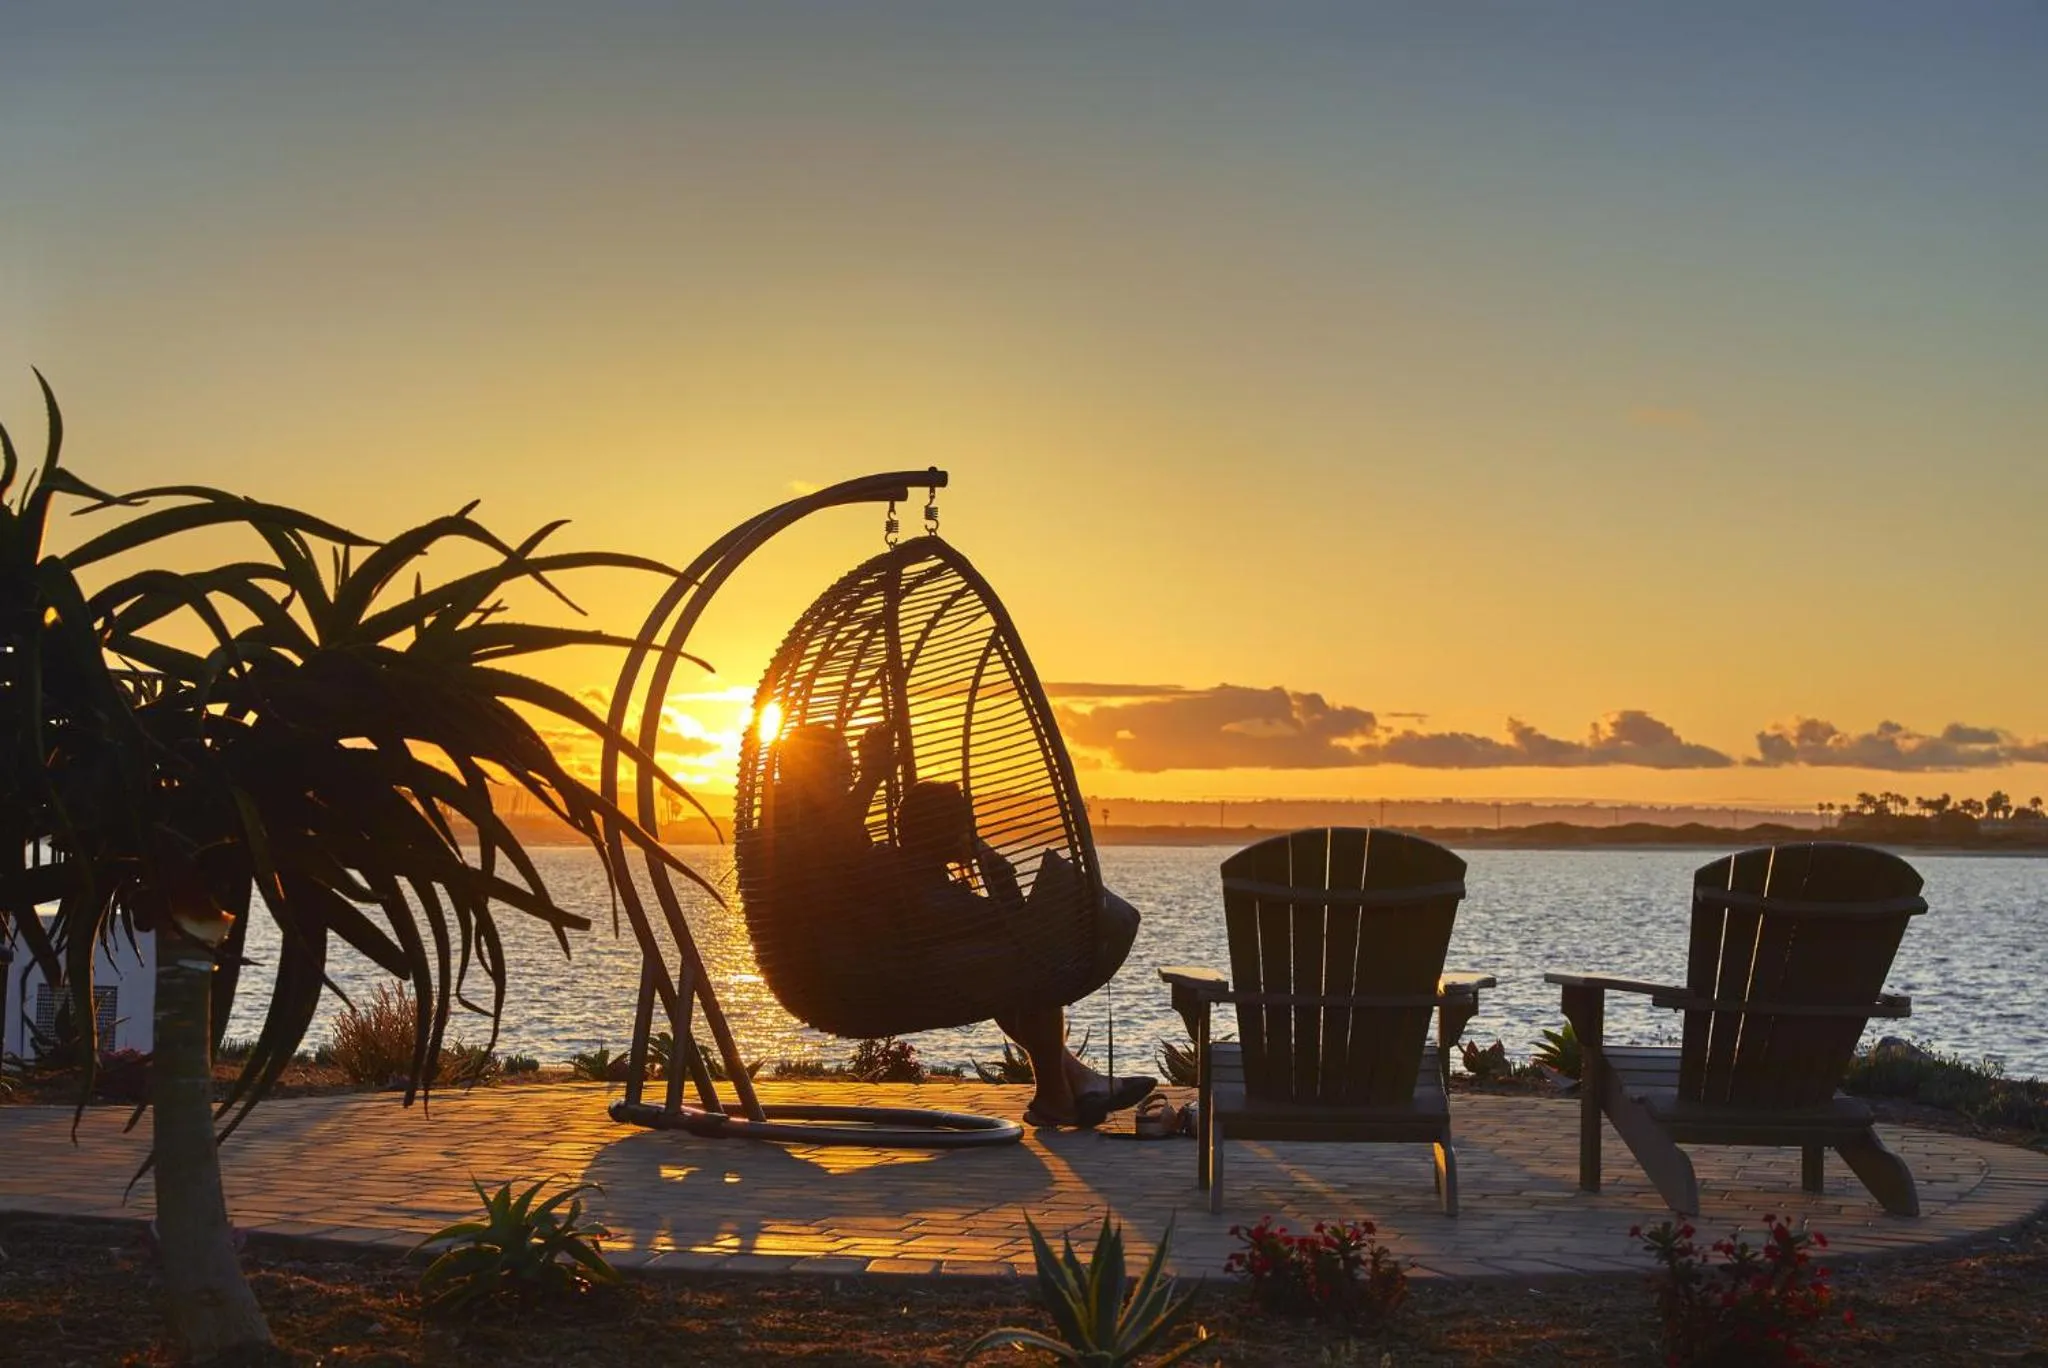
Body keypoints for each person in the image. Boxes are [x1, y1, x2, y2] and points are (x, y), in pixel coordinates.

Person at [892, 780, 1153, 1128]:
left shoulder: (911, 875)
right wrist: (990, 860)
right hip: (926, 983)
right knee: (1033, 969)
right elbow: (1012, 923)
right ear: (945, 831)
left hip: (932, 974)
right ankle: (1055, 1096)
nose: (971, 829)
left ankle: (1081, 1084)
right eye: (964, 823)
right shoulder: (929, 891)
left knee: (1017, 972)